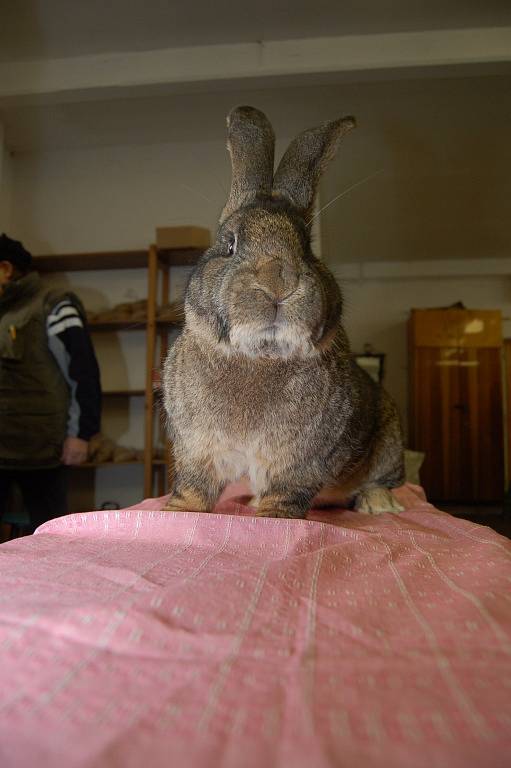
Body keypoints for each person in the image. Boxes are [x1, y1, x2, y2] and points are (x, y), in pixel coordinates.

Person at [0, 233, 101, 532]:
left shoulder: (53, 304)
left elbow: (83, 371)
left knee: (48, 534)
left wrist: (81, 434)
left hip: (42, 451)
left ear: (5, 268)